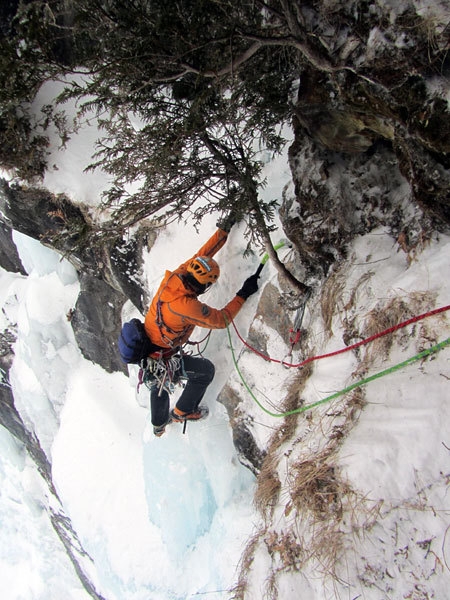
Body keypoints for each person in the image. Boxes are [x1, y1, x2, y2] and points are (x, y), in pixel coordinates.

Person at [144, 215, 259, 436]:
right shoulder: (185, 305)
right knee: (204, 372)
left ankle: (159, 425)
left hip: (152, 341)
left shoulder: (178, 275)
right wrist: (243, 293)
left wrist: (222, 232)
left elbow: (201, 255)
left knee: (159, 382)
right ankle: (183, 411)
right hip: (162, 351)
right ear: (205, 285)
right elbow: (221, 320)